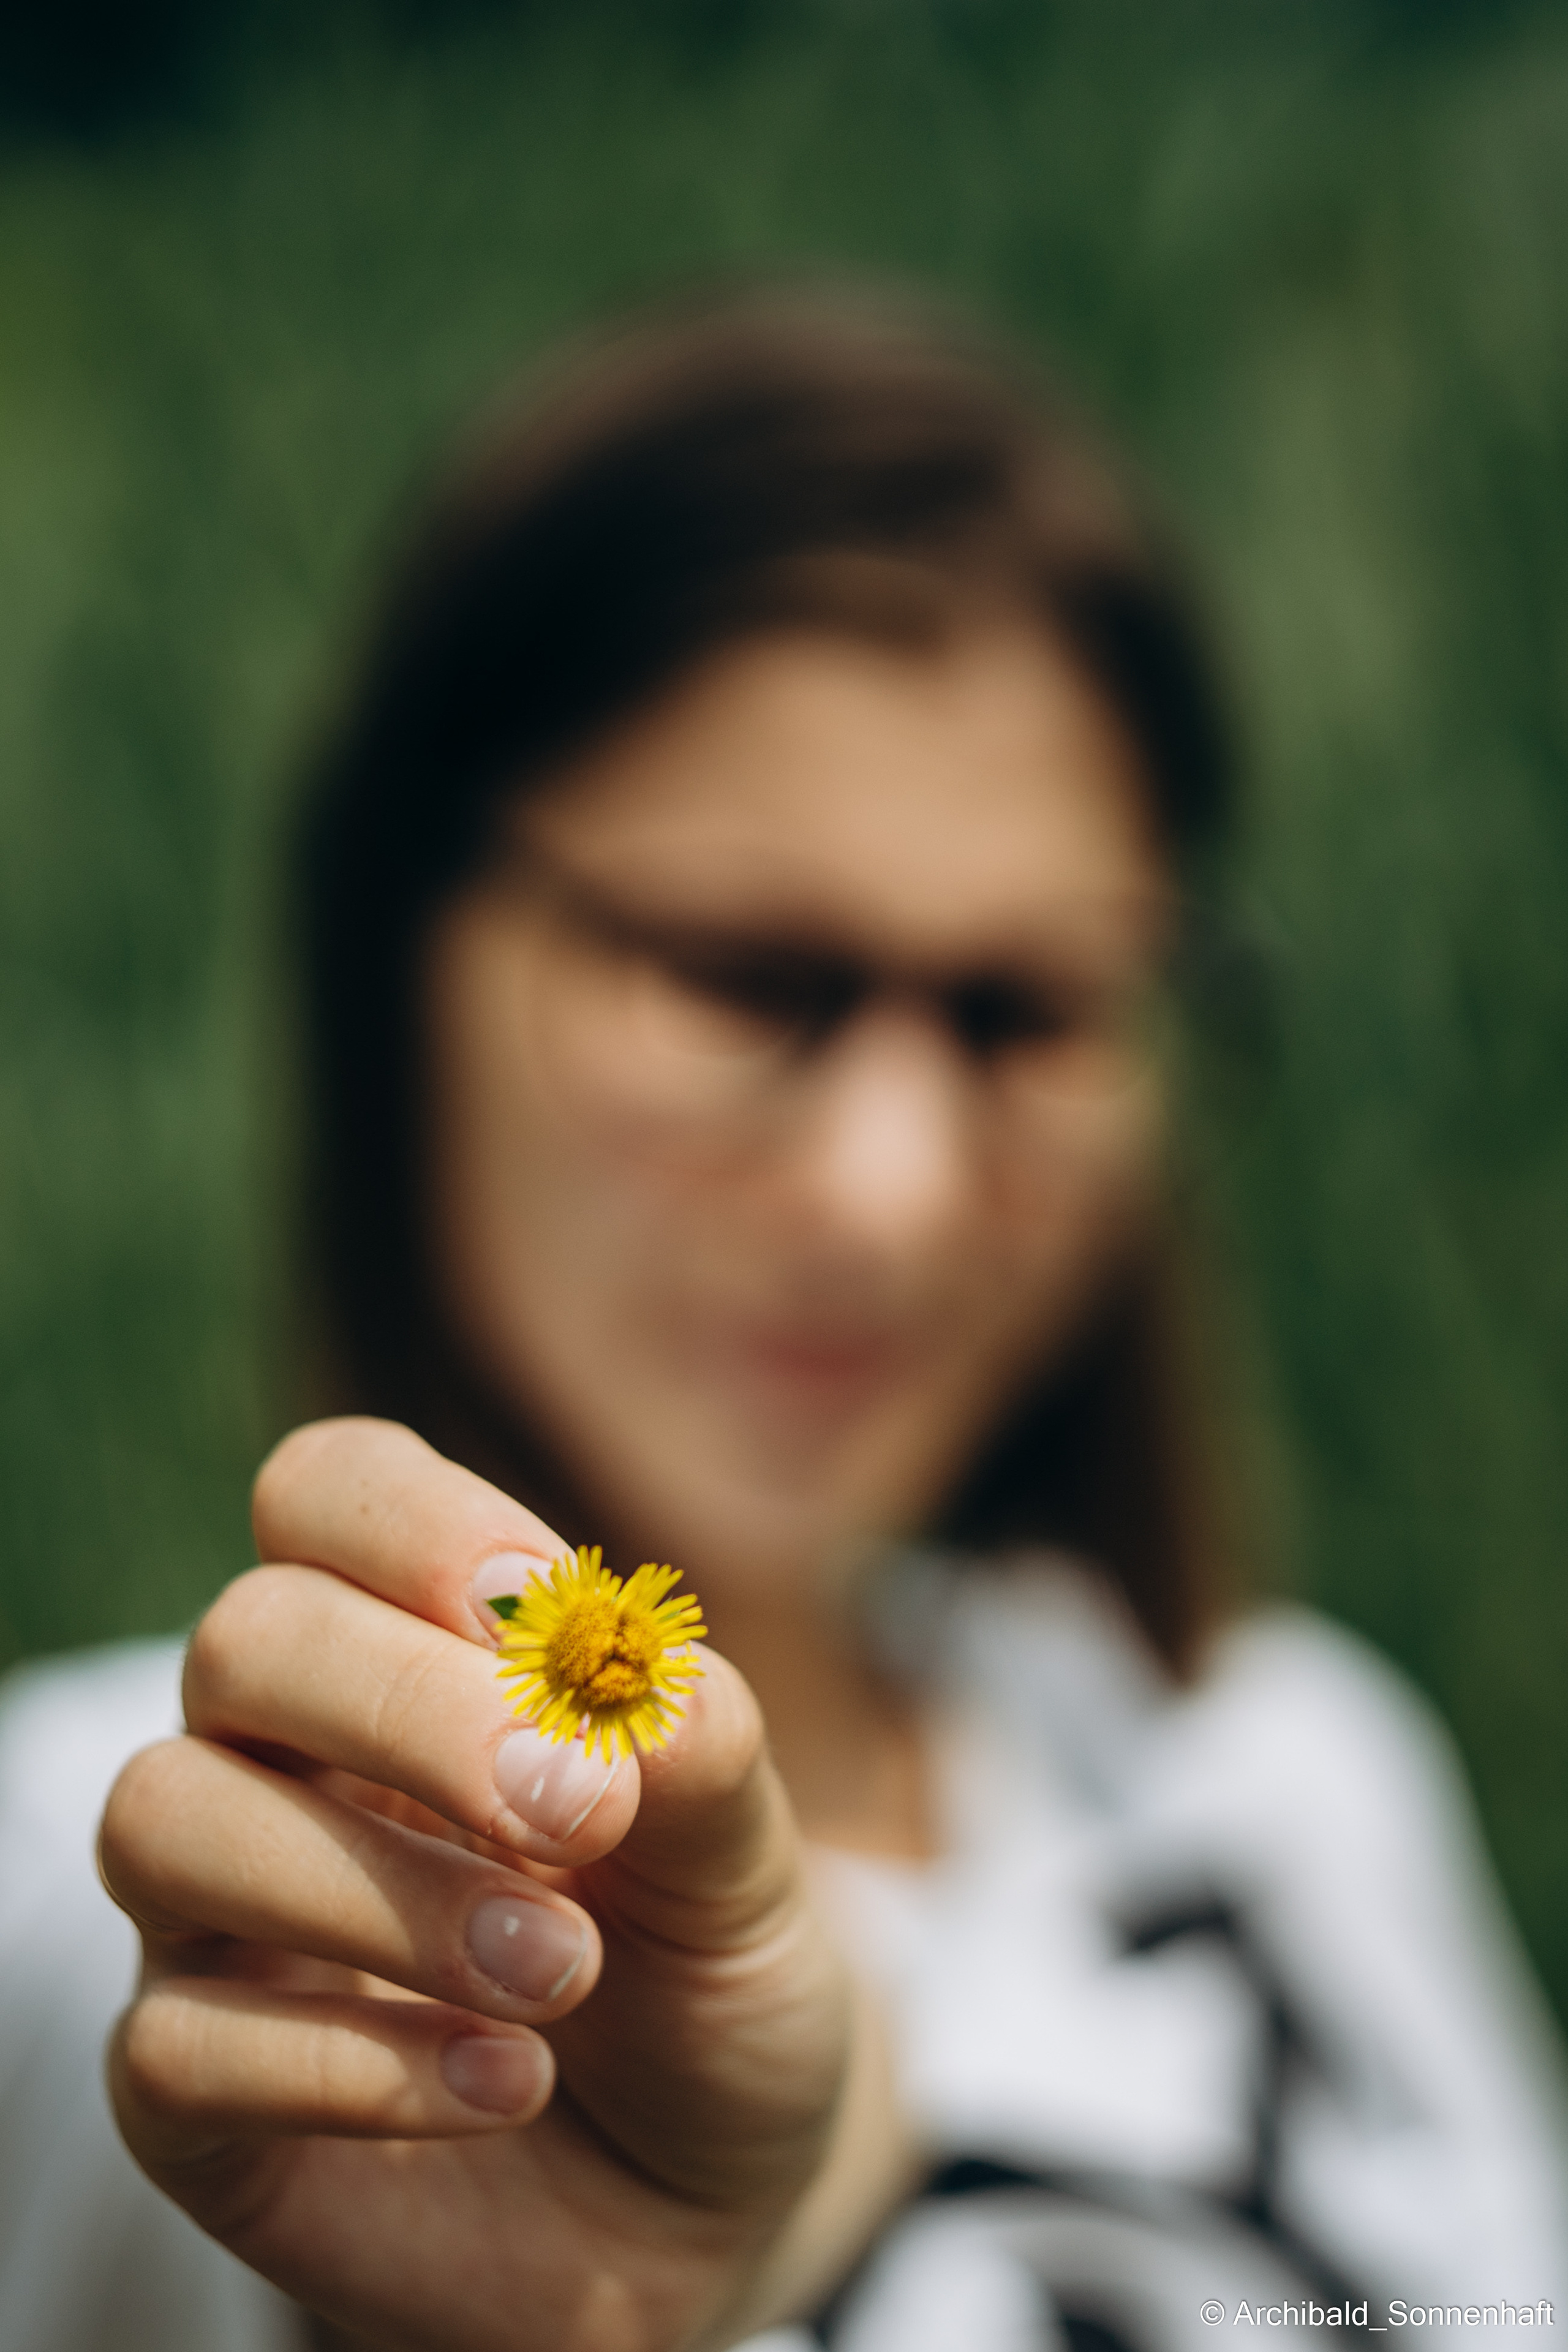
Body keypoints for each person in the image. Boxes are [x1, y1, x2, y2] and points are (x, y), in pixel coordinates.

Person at [1, 285, 1563, 2352]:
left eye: (1027, 1015)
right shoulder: (148, 1893)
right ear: (403, 950)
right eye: (747, 977)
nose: (889, 1196)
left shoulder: (1302, 1783)